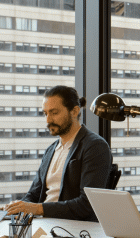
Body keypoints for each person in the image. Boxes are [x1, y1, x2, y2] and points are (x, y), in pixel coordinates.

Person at [6, 85, 112, 223]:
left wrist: (37, 209)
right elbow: (33, 194)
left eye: (54, 113)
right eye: (45, 113)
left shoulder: (95, 146)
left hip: (72, 229)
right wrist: (16, 208)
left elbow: (86, 204)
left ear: (74, 111)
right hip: (45, 224)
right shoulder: (51, 150)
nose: (48, 120)